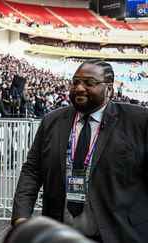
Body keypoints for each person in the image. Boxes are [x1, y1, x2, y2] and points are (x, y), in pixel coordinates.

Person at [11, 60, 148, 243]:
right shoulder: (51, 121)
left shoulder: (139, 121)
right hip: (61, 234)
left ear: (109, 89)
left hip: (120, 233)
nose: (79, 88)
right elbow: (32, 171)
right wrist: (21, 217)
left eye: (89, 83)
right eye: (75, 82)